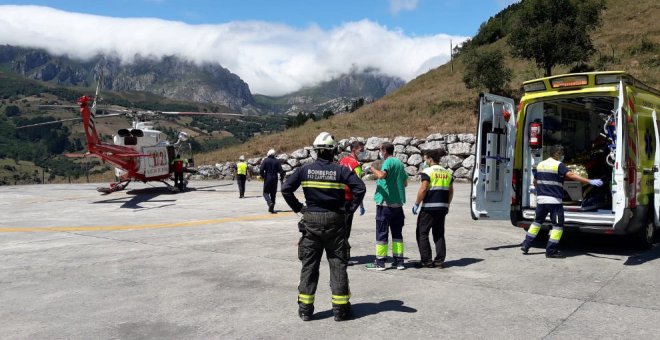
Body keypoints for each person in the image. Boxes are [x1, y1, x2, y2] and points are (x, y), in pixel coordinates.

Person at [282, 132, 366, 322]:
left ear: (316, 151)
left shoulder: (305, 170)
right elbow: (360, 188)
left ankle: (305, 309)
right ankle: (341, 310)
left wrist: (299, 208)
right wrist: (348, 209)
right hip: (335, 221)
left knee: (309, 265)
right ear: (333, 151)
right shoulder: (340, 170)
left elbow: (286, 189)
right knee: (338, 264)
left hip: (311, 221)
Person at [521, 145, 604, 258]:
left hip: (541, 200)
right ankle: (551, 251)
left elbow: (535, 182)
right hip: (554, 202)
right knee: (558, 226)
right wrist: (589, 181)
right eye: (562, 153)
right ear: (557, 154)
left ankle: (526, 244)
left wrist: (541, 190)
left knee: (537, 222)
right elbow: (570, 175)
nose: (562, 155)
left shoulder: (541, 164)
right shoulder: (558, 165)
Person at [366, 142, 409, 270]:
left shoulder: (388, 162)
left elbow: (381, 175)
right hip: (398, 204)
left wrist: (371, 168)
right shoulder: (400, 164)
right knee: (397, 234)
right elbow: (405, 183)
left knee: (382, 233)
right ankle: (399, 261)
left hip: (385, 204)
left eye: (380, 150)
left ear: (384, 150)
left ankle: (380, 262)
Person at [411, 149, 453, 268]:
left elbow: (423, 188)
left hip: (429, 207)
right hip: (442, 207)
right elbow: (450, 191)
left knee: (422, 233)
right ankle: (439, 260)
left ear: (430, 159)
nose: (425, 162)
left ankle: (426, 260)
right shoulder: (447, 173)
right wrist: (447, 205)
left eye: (425, 159)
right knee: (439, 233)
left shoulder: (428, 171)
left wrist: (417, 203)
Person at [338, 140, 366, 265]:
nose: (363, 153)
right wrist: (361, 204)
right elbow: (358, 186)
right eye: (361, 150)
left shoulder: (342, 161)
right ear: (354, 150)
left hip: (338, 198)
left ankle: (338, 253)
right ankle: (343, 256)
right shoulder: (355, 165)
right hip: (348, 199)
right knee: (346, 228)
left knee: (338, 227)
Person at [260, 149, 285, 213]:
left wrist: (263, 176)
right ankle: (272, 208)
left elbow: (261, 170)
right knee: (273, 194)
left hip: (267, 177)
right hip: (275, 178)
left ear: (268, 154)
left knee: (265, 193)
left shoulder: (265, 160)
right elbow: (282, 172)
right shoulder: (277, 161)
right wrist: (281, 179)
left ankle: (269, 202)